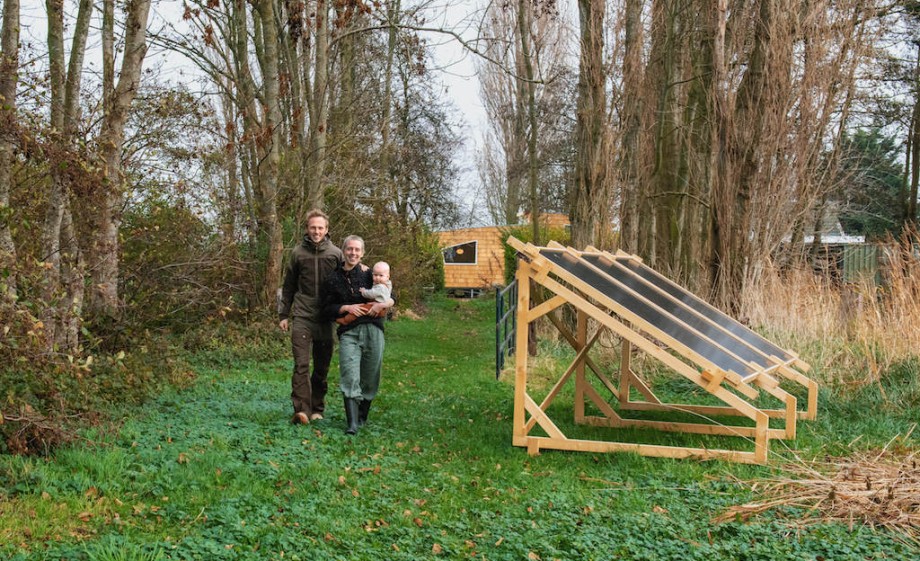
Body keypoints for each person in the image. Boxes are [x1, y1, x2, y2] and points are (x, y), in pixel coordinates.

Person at [322, 236, 394, 435]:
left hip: (374, 330)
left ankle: (362, 416)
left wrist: (384, 304)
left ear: (362, 253)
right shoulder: (333, 278)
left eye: (357, 250)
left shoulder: (371, 274)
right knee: (349, 374)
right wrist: (346, 307)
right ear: (343, 251)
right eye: (349, 249)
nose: (353, 253)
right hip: (349, 333)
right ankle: (352, 423)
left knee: (371, 376)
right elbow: (325, 309)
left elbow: (389, 294)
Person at [279, 209, 343, 425]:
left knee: (322, 368)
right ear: (307, 228)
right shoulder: (298, 253)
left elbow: (345, 284)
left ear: (327, 230)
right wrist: (283, 314)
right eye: (313, 227)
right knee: (301, 365)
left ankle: (317, 407)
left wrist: (344, 313)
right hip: (303, 316)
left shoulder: (335, 254)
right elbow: (288, 286)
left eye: (320, 228)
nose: (316, 231)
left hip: (325, 318)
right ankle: (302, 411)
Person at [336, 261, 392, 326]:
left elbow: (371, 294)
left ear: (388, 277)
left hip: (377, 307)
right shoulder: (387, 284)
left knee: (360, 310)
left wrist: (364, 292)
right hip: (381, 307)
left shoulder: (381, 287)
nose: (377, 278)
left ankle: (346, 320)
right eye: (375, 275)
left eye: (381, 275)